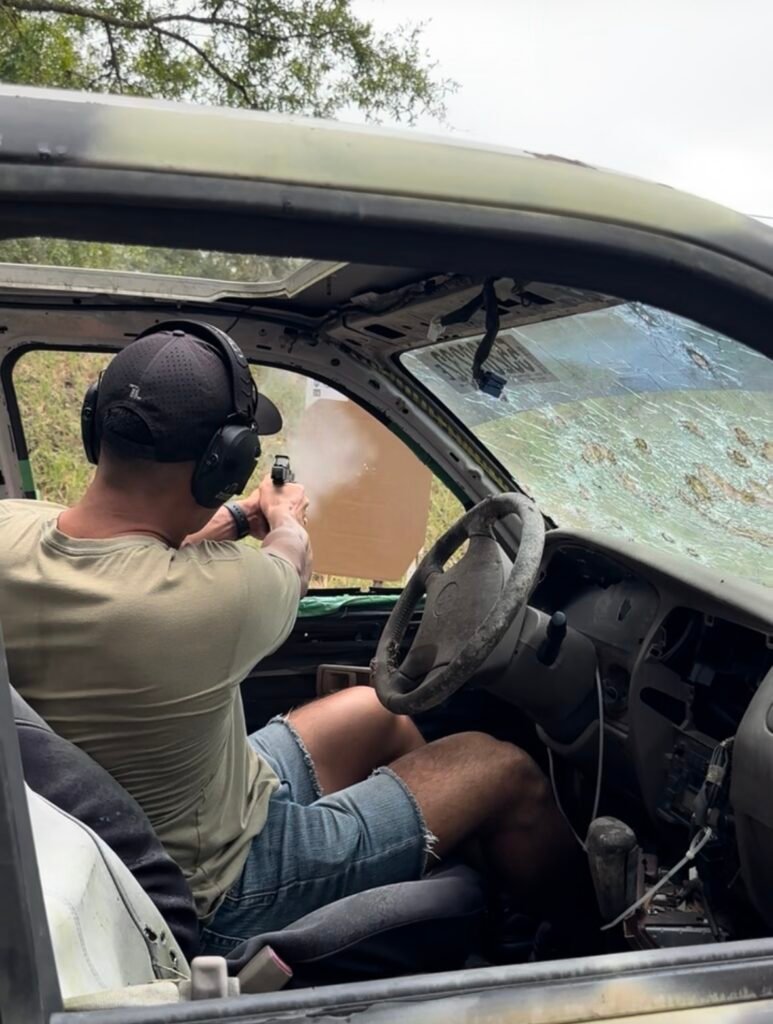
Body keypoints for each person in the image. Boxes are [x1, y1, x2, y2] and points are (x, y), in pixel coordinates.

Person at [0, 320, 574, 955]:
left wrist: (240, 514)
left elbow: (135, 546)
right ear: (225, 462)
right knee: (503, 770)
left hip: (164, 820)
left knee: (376, 712)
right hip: (211, 888)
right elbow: (291, 560)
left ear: (95, 425)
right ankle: (581, 945)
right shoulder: (220, 596)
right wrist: (284, 517)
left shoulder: (12, 529)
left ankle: (431, 877)